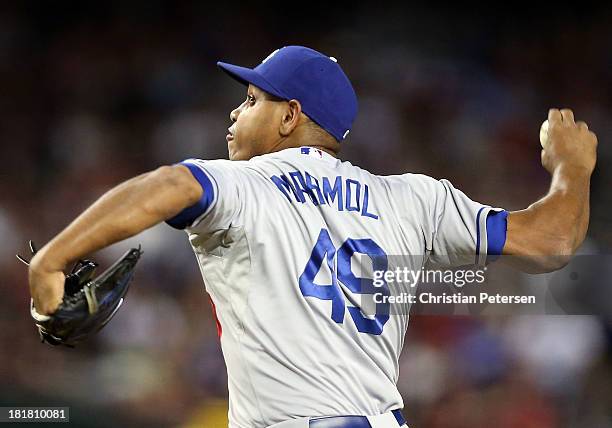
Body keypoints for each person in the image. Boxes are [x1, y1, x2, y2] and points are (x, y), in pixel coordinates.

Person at [27, 46, 598, 428]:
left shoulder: (247, 183)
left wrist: (52, 260)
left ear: (289, 116)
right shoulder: (414, 198)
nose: (235, 111)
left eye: (252, 100)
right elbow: (550, 242)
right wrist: (572, 170)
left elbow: (172, 182)